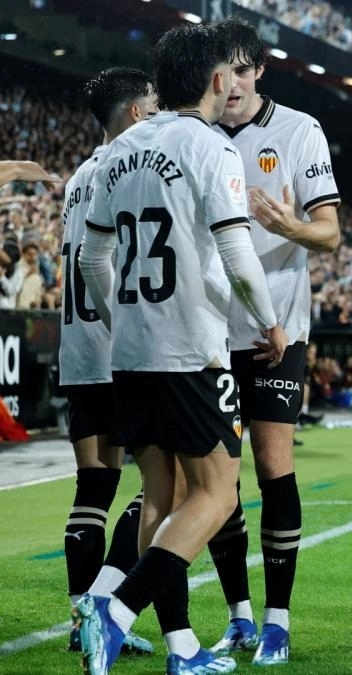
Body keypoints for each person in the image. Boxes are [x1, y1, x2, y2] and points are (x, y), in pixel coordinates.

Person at [72, 22, 287, 675]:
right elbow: (236, 251)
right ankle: (115, 609)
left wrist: (124, 317)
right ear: (218, 79)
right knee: (217, 495)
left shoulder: (118, 151)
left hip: (130, 354)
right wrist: (271, 322)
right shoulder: (210, 146)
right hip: (191, 350)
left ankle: (182, 647)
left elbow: (92, 258)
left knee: (159, 497)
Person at [204, 18, 342, 666]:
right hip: (207, 331)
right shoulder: (194, 134)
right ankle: (237, 616)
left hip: (275, 330)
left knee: (272, 462)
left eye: (242, 69)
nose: (232, 83)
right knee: (216, 477)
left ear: (260, 70)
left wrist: (291, 225)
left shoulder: (298, 130)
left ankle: (277, 621)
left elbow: (330, 233)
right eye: (222, 70)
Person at [59, 66, 158, 659]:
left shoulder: (78, 176)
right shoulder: (127, 170)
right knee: (164, 487)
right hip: (119, 348)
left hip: (77, 348)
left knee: (93, 487)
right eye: (153, 105)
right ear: (137, 113)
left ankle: (80, 619)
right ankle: (103, 605)